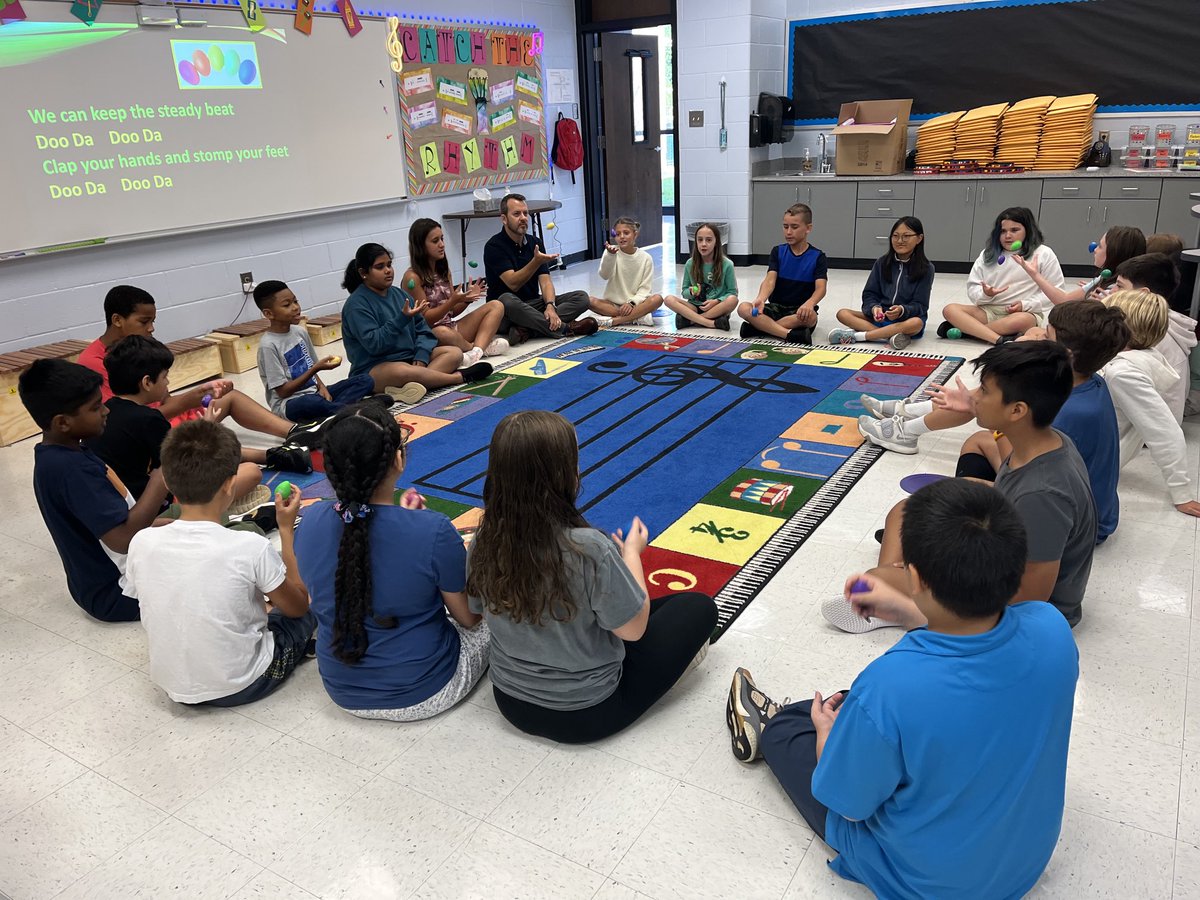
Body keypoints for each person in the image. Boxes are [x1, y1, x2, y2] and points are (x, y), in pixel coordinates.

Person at [728, 478, 1078, 899]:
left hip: (926, 884)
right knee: (869, 712)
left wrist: (827, 737)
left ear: (914, 575)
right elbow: (975, 652)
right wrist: (906, 610)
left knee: (792, 725)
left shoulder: (890, 686)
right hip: (1024, 863)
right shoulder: (1052, 629)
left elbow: (849, 804)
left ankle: (774, 729)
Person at [466, 410, 718, 742]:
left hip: (510, 702)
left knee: (656, 606)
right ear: (567, 475)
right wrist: (631, 556)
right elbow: (634, 630)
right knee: (698, 607)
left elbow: (479, 610)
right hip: (588, 713)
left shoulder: (483, 538)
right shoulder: (589, 548)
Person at [832, 342, 1096, 629]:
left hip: (1016, 602)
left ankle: (904, 605)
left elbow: (1031, 599)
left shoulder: (1043, 494)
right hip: (998, 553)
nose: (975, 397)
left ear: (1017, 411)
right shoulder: (1044, 440)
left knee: (874, 579)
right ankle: (903, 584)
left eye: (983, 390)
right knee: (904, 511)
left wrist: (934, 577)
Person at [861, 301, 1126, 545]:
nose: (1039, 337)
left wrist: (997, 425)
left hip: (1073, 522)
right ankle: (966, 516)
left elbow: (1025, 470)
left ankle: (964, 529)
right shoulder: (1083, 382)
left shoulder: (1067, 411)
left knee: (922, 506)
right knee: (977, 442)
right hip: (1081, 503)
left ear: (1065, 355)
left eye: (1047, 336)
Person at [294, 403, 490, 721]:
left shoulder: (311, 520)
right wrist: (420, 529)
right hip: (426, 690)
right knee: (497, 616)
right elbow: (469, 619)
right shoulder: (433, 530)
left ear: (328, 466)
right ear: (398, 459)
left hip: (343, 693)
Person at [125, 419, 316, 706]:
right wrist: (286, 530)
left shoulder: (141, 542)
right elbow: (297, 607)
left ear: (167, 482)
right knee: (310, 601)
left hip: (174, 686)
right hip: (245, 683)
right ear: (230, 486)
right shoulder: (251, 546)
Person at [18, 359, 170, 622]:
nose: (106, 411)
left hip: (99, 584)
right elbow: (121, 541)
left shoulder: (62, 453)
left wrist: (156, 526)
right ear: (63, 422)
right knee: (217, 569)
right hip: (119, 592)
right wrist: (161, 477)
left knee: (188, 529)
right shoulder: (71, 470)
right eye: (95, 407)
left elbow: (100, 522)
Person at [78, 285, 318, 447]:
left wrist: (201, 393)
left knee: (230, 396)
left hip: (161, 418)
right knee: (230, 458)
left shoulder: (140, 348)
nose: (151, 328)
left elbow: (163, 400)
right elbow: (127, 423)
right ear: (117, 319)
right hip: (147, 435)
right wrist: (191, 400)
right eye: (144, 322)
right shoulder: (94, 363)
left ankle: (296, 431)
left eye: (152, 321)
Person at [87, 335, 266, 505]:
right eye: (165, 377)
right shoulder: (149, 419)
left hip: (123, 501)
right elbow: (196, 468)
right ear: (147, 382)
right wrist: (208, 430)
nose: (168, 382)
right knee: (251, 472)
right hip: (155, 507)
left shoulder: (108, 408)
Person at [341, 242, 493, 402]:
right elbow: (375, 345)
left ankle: (409, 387)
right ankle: (458, 378)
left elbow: (424, 331)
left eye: (389, 265)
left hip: (410, 358)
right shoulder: (356, 305)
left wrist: (421, 357)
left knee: (454, 353)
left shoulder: (399, 295)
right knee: (402, 371)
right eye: (380, 267)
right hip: (374, 367)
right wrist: (401, 319)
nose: (388, 271)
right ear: (363, 273)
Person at [1101, 289, 1200, 517]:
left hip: (1090, 458)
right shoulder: (1140, 356)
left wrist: (1181, 493)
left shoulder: (1123, 373)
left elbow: (1164, 432)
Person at [253, 279, 384, 421]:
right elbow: (283, 392)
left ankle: (338, 411)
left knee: (365, 380)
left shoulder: (299, 332)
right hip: (289, 404)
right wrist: (315, 369)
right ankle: (352, 410)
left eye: (295, 301)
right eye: (287, 305)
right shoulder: (268, 346)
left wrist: (322, 387)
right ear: (269, 314)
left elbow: (310, 366)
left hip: (315, 393)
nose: (296, 307)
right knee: (312, 403)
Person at [483, 193, 597, 344]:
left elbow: (545, 282)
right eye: (516, 214)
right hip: (504, 312)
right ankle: (566, 328)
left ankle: (528, 330)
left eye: (525, 213)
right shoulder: (494, 246)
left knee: (581, 297)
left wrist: (550, 305)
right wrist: (535, 262)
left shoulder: (534, 242)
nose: (523, 218)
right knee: (506, 300)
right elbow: (513, 283)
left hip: (532, 305)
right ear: (504, 219)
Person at [939, 207, 1063, 344]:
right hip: (988, 311)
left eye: (1014, 230)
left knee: (1022, 321)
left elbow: (1056, 292)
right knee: (950, 310)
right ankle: (998, 339)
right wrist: (986, 294)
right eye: (1003, 231)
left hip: (1022, 313)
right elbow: (973, 287)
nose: (1008, 236)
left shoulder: (1044, 253)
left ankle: (968, 331)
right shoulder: (988, 254)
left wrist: (1025, 304)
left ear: (1028, 231)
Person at [401, 217, 508, 367]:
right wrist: (453, 300)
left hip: (451, 330)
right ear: (420, 246)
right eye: (435, 241)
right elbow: (425, 320)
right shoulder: (412, 277)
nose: (442, 245)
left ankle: (474, 352)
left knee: (497, 305)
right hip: (429, 336)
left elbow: (451, 312)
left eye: (442, 239)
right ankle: (477, 348)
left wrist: (467, 299)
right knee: (441, 332)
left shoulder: (443, 271)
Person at [828, 216, 932, 350]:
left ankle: (859, 336)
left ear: (919, 238)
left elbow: (921, 305)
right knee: (843, 313)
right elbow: (869, 294)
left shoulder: (926, 268)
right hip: (880, 318)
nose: (900, 241)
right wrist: (874, 308)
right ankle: (890, 337)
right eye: (895, 236)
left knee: (916, 323)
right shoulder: (882, 263)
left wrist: (902, 310)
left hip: (905, 320)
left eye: (906, 236)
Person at [738, 203, 827, 344]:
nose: (788, 232)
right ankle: (788, 334)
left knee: (810, 319)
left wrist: (810, 303)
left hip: (800, 311)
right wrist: (761, 298)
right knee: (743, 308)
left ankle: (758, 328)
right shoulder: (777, 251)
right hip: (777, 307)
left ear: (808, 228)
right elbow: (770, 280)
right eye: (785, 227)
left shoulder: (818, 256)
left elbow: (821, 288)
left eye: (794, 227)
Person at [1012, 224, 1144, 305]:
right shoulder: (1103, 278)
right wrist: (1035, 274)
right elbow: (1064, 300)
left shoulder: (1114, 291)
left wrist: (1035, 275)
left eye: (1100, 246)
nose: (1095, 249)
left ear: (1114, 254)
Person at [588, 216, 664, 328]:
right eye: (618, 234)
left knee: (657, 299)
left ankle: (616, 321)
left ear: (635, 234)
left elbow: (645, 289)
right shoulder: (611, 252)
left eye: (626, 233)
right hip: (613, 305)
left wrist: (631, 303)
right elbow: (604, 275)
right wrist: (610, 255)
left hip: (636, 304)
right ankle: (637, 317)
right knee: (588, 300)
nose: (622, 237)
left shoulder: (645, 257)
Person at [663, 222, 738, 331]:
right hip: (694, 306)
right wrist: (691, 292)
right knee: (668, 299)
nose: (703, 244)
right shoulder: (690, 263)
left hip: (716, 307)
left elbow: (732, 292)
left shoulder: (727, 264)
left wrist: (717, 301)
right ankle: (711, 323)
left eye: (708, 240)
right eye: (700, 240)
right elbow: (684, 292)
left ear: (716, 242)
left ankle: (691, 320)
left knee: (733, 300)